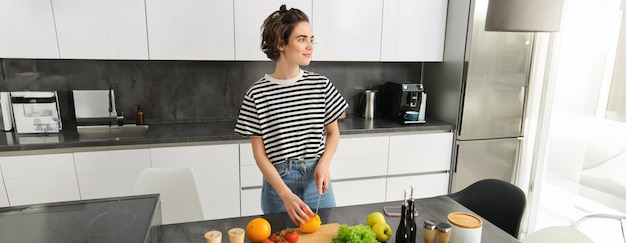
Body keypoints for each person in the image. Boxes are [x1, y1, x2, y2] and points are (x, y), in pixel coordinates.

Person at [234, 4, 348, 226]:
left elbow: (333, 133)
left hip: (317, 183)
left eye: (311, 39)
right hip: (278, 188)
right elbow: (260, 155)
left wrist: (324, 164)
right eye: (302, 39)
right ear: (281, 43)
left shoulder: (321, 85)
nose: (310, 46)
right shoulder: (256, 94)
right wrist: (285, 194)